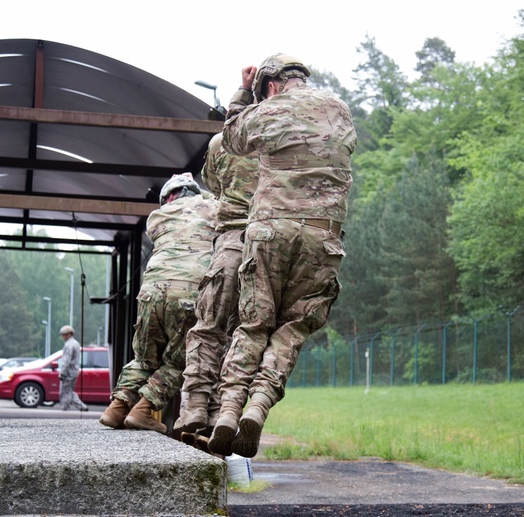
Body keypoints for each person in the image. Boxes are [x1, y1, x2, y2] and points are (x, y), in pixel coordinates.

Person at [208, 53, 357, 458]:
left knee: (254, 325)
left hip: (270, 230)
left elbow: (233, 140)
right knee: (292, 329)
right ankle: (257, 406)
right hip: (321, 238)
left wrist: (243, 95)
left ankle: (226, 413)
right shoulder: (340, 110)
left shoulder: (270, 107)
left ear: (271, 86)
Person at [98, 173, 218, 433]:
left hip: (151, 294)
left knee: (144, 358)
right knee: (181, 360)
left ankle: (116, 408)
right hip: (189, 294)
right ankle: (143, 410)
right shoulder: (212, 208)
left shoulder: (156, 217)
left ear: (168, 198)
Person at [174, 133, 259, 436]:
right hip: (264, 247)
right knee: (245, 334)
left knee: (208, 328)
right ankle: (224, 411)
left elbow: (212, 183)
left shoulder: (220, 142)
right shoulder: (280, 138)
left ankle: (197, 404)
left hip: (231, 244)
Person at [57, 325, 88, 412]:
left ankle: (65, 408)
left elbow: (66, 360)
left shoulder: (69, 345)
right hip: (74, 371)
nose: (63, 337)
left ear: (69, 334)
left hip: (68, 372)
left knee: (64, 392)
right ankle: (81, 406)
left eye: (64, 334)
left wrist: (62, 372)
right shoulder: (76, 343)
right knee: (69, 391)